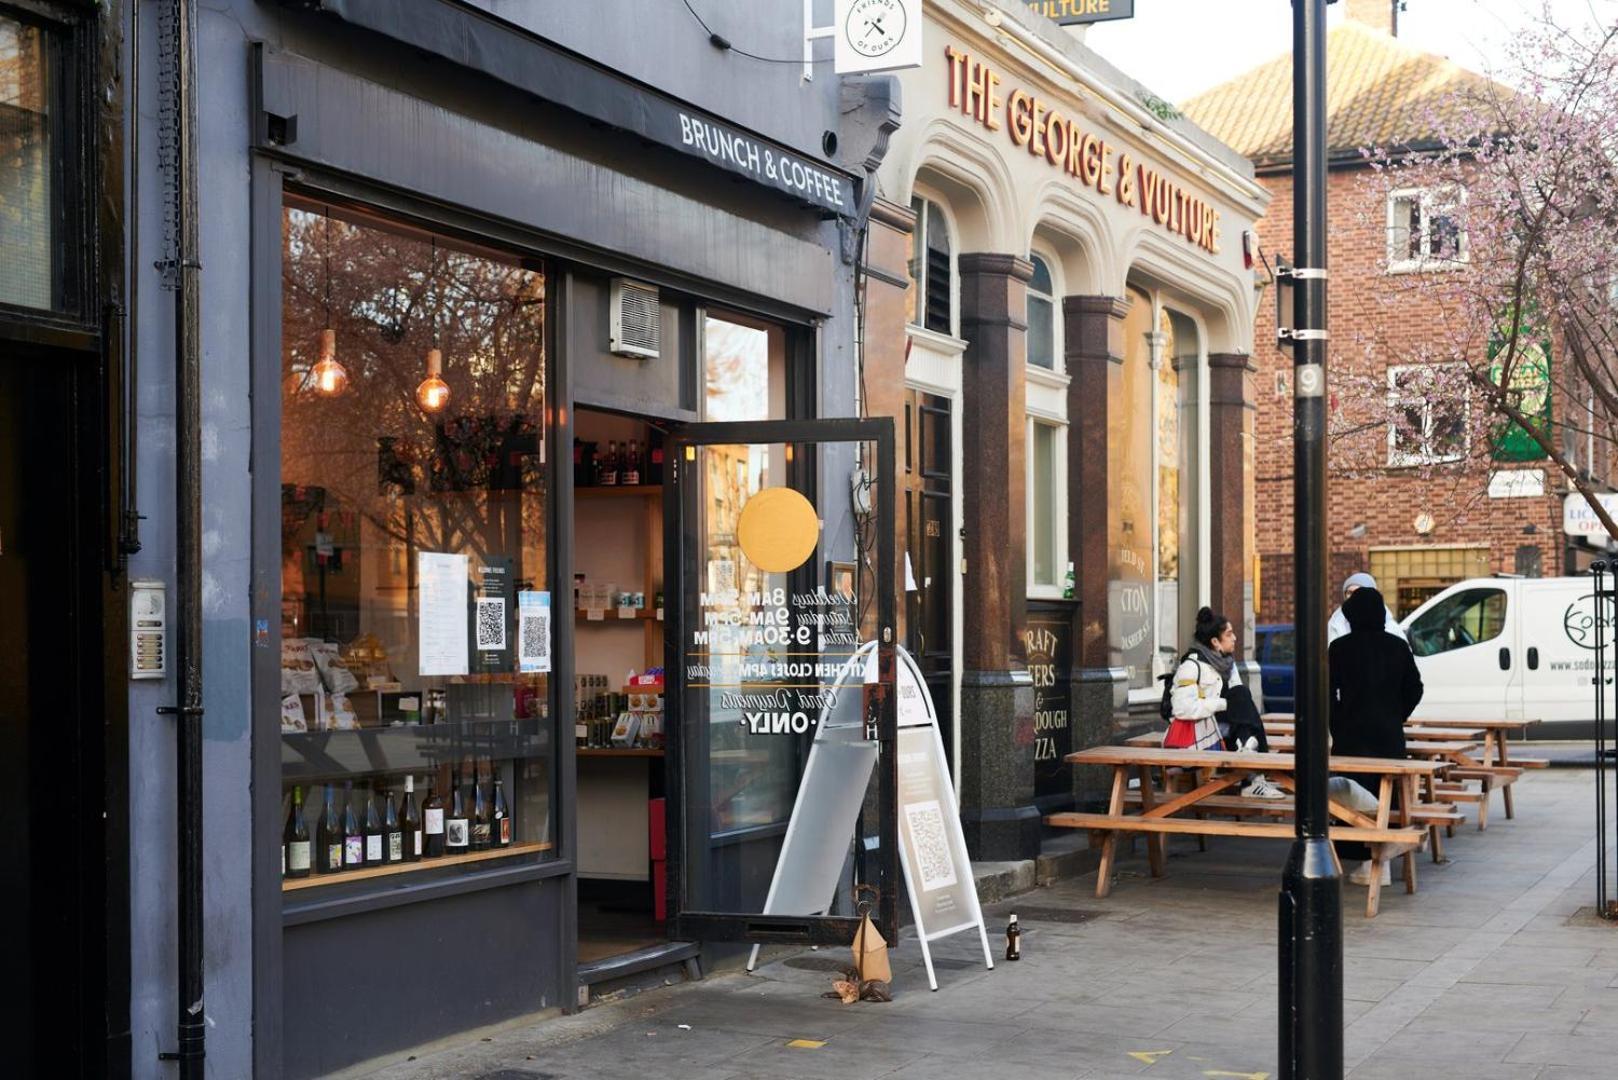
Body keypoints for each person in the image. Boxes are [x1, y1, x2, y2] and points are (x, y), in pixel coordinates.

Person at [1328, 585, 1425, 885]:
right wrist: (1397, 714)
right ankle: (1381, 862)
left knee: (1351, 796)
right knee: (1386, 800)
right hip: (1388, 736)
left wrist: (1338, 722)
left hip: (1350, 737)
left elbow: (1327, 694)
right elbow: (1415, 688)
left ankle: (1357, 858)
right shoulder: (1397, 647)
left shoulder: (1339, 648)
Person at [1170, 607, 1285, 799]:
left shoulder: (1228, 665)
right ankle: (1255, 772)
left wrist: (1229, 705)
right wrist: (1222, 704)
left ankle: (1250, 757)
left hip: (1224, 730)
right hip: (1197, 732)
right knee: (1240, 698)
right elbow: (1183, 709)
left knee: (1241, 696)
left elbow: (1241, 704)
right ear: (1215, 642)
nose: (1235, 639)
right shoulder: (1191, 666)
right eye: (1229, 634)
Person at [1327, 572, 1406, 645]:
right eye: (1349, 593)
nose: (1353, 597)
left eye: (1359, 592)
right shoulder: (1335, 624)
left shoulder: (1391, 627)